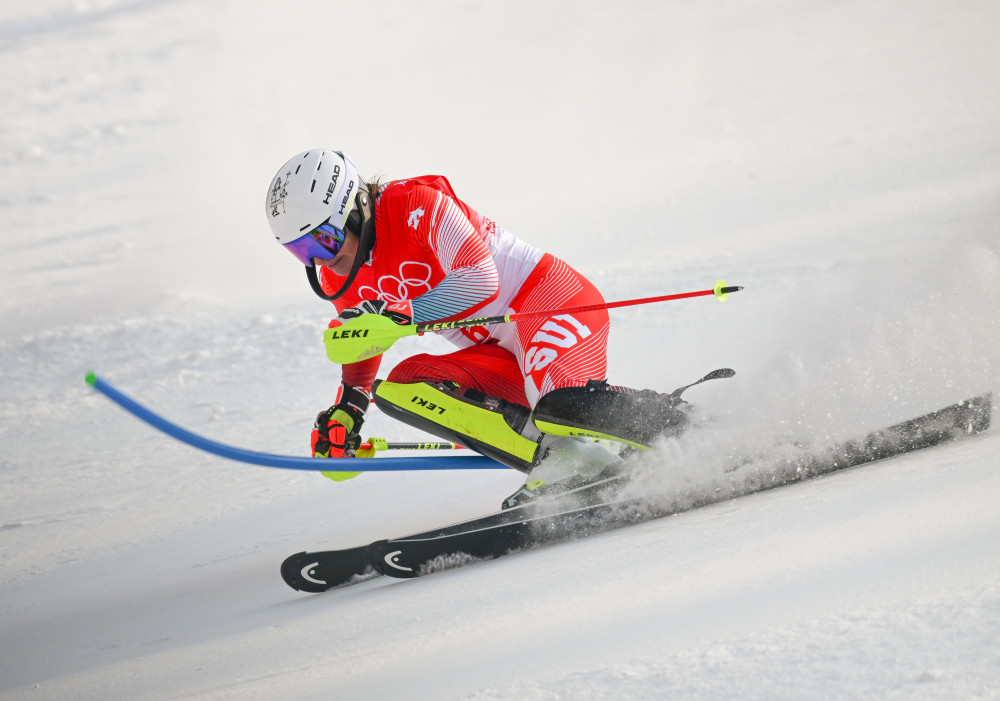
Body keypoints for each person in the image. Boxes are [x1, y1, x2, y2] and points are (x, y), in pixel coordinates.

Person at [265, 149, 688, 506]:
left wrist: (399, 317)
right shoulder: (339, 274)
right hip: (495, 349)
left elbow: (481, 280)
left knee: (562, 407)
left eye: (322, 241)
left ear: (354, 208)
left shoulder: (417, 204)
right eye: (300, 251)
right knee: (403, 387)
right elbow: (364, 339)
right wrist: (349, 409)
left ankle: (680, 426)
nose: (319, 260)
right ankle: (567, 462)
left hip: (546, 303)